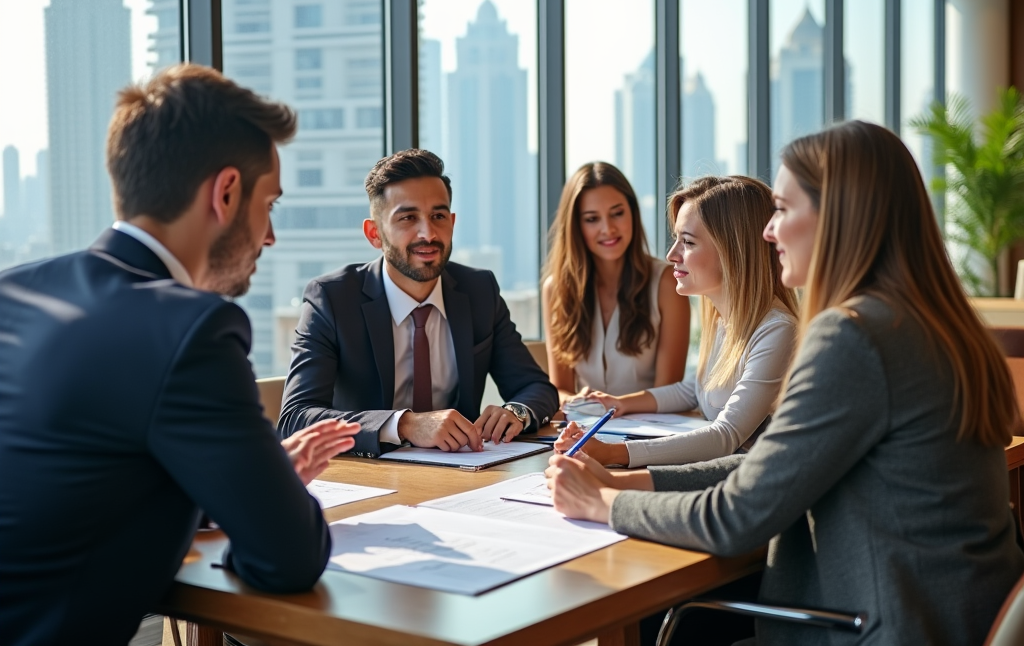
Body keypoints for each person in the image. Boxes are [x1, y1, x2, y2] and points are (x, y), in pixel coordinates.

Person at [546, 121, 1024, 645]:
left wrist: (603, 505)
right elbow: (765, 466)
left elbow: (738, 516)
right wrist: (622, 481)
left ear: (840, 219)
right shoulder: (930, 324)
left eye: (782, 210)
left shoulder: (854, 338)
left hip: (881, 628)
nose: (768, 232)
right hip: (949, 616)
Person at [0, 64, 360, 646]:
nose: (270, 237)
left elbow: (69, 478)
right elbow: (287, 558)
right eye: (269, 205)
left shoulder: (13, 290)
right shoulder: (192, 329)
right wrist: (272, 497)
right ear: (225, 193)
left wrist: (241, 480)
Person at [278, 149, 559, 457]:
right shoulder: (331, 299)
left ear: (451, 222)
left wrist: (516, 412)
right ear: (375, 233)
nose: (428, 233)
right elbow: (296, 419)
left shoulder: (479, 290)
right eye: (408, 218)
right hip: (369, 478)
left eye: (438, 216)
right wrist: (405, 425)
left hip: (464, 475)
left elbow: (537, 388)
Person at [557, 175, 798, 468]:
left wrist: (613, 453)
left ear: (732, 250)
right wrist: (621, 403)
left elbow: (726, 436)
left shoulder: (778, 331)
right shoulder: (725, 321)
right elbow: (690, 390)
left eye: (687, 242)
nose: (672, 255)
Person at [541, 162, 690, 401]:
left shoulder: (666, 284)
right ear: (576, 226)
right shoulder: (556, 289)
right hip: (583, 427)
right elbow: (559, 389)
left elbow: (666, 394)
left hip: (648, 432)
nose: (607, 229)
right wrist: (579, 402)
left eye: (617, 213)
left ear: (632, 213)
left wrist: (616, 407)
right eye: (592, 219)